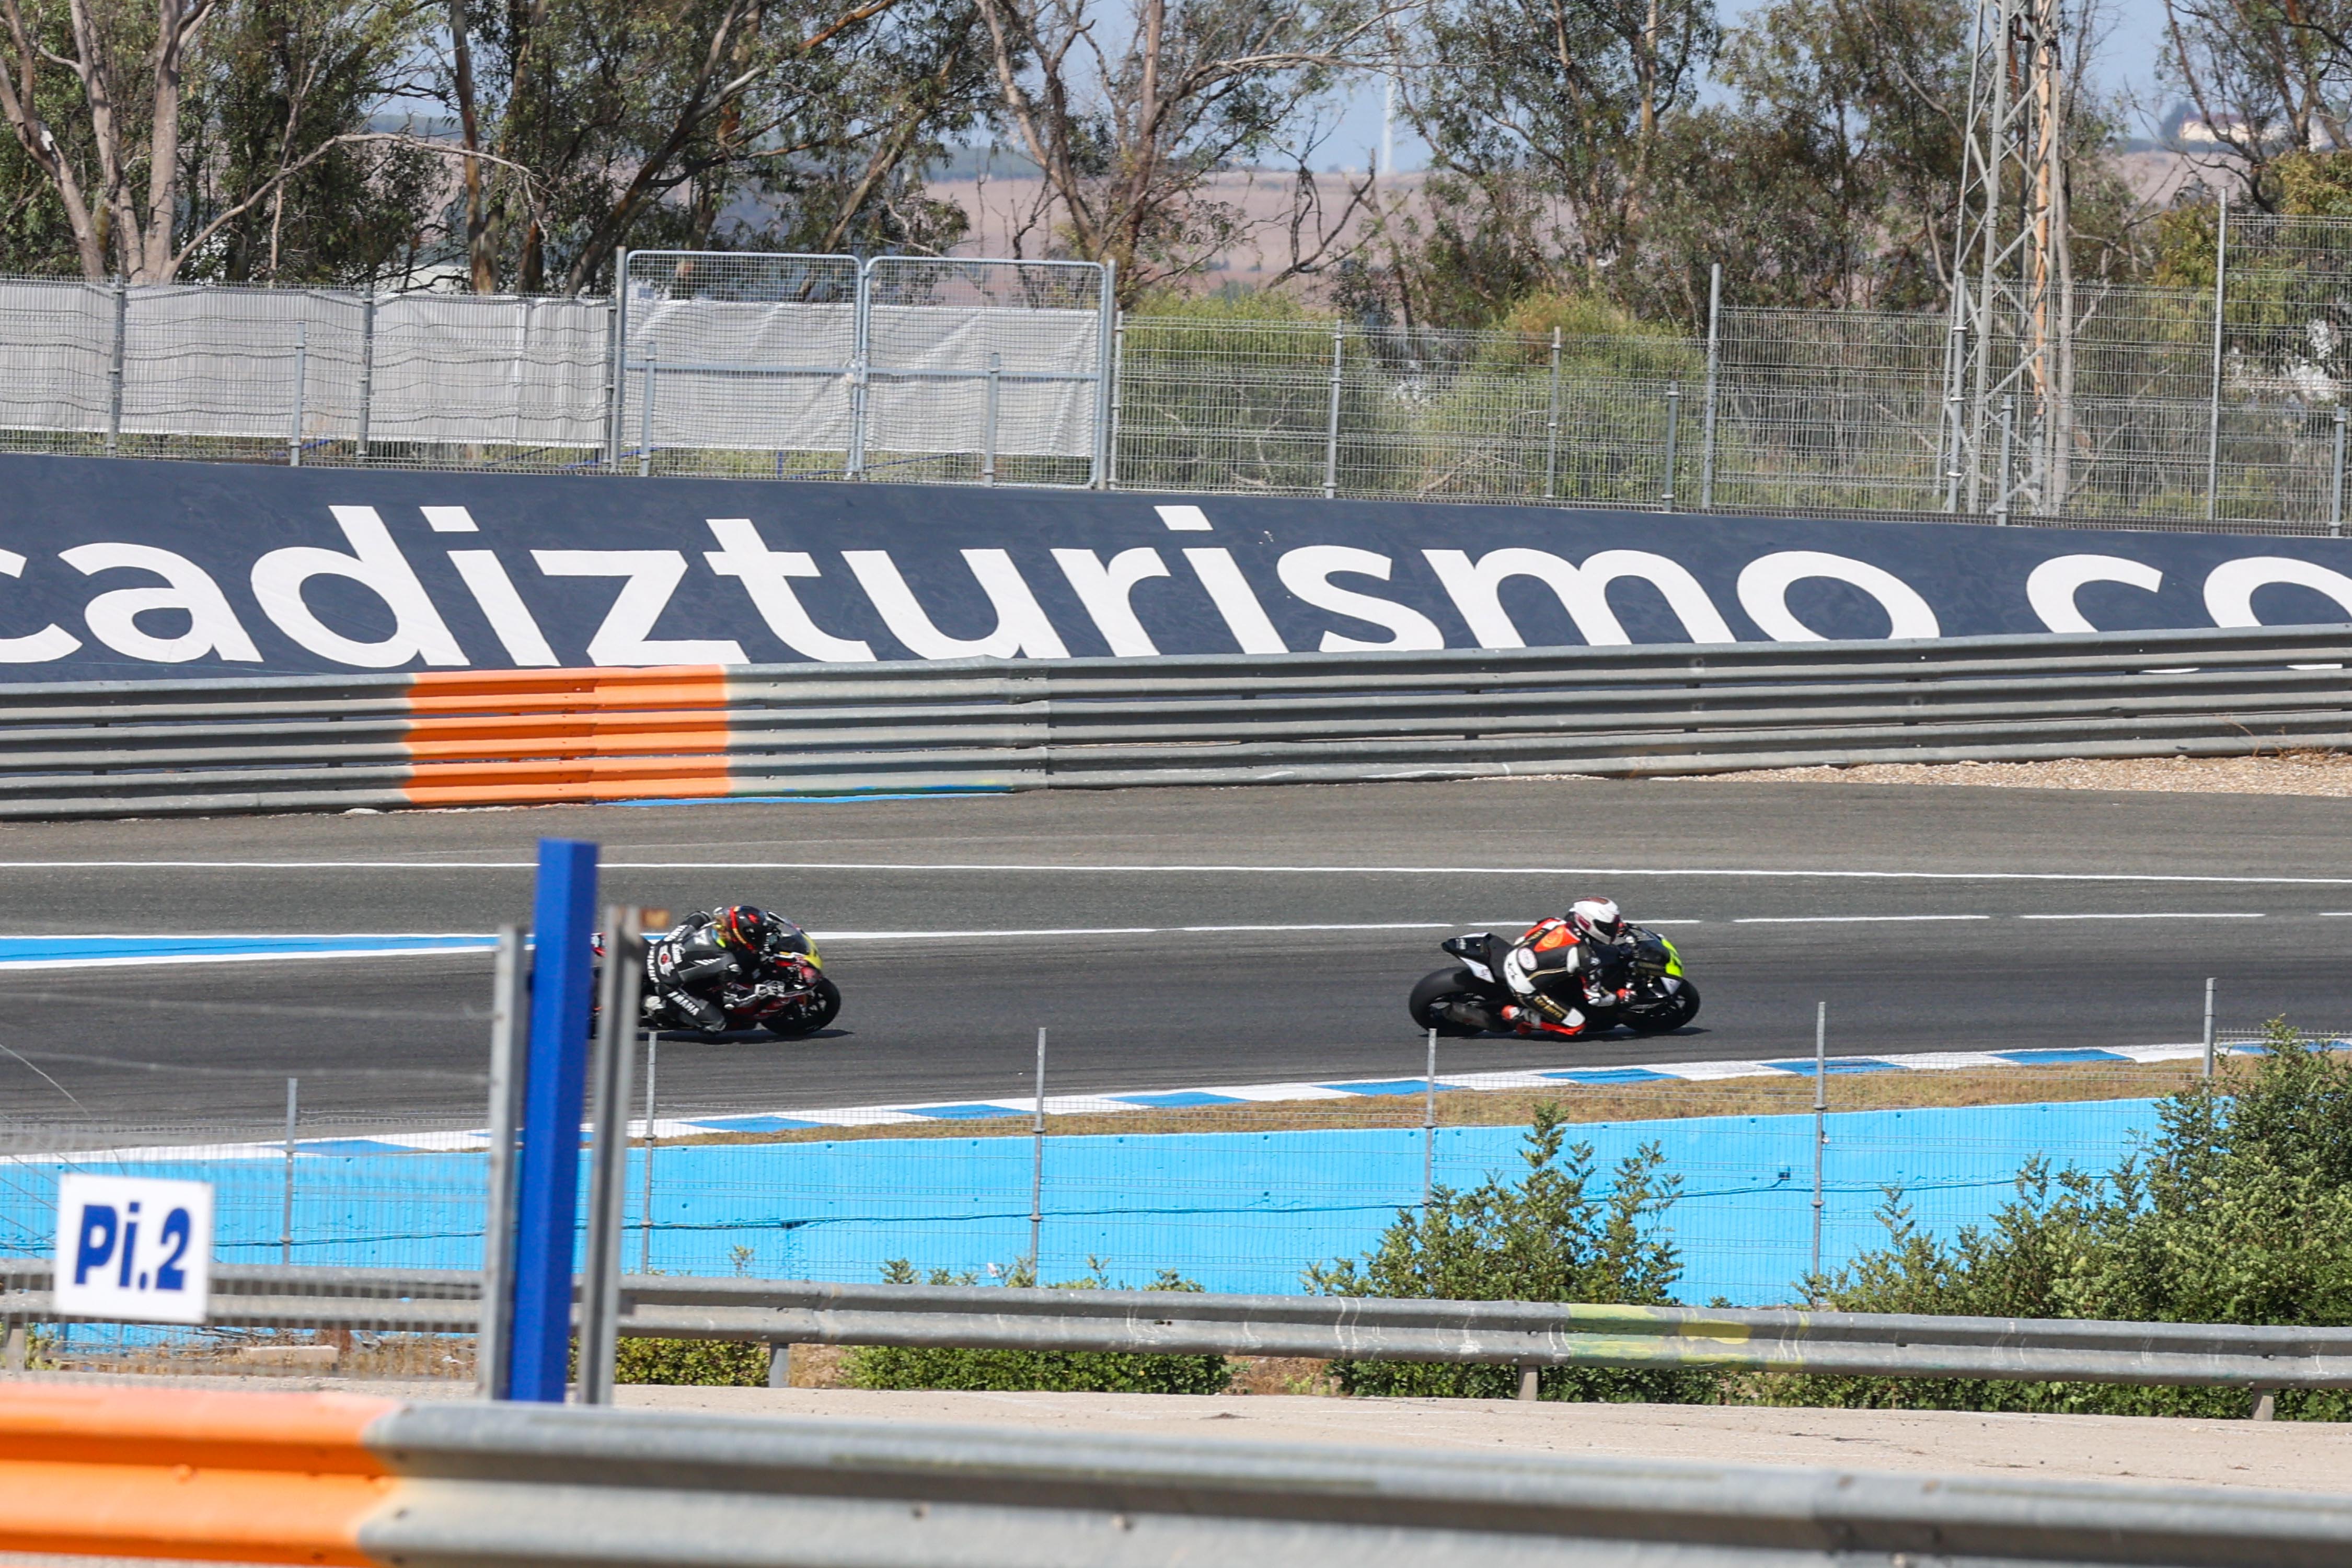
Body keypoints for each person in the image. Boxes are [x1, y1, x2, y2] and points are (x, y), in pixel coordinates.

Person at [646, 904, 808, 1032]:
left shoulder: (710, 923)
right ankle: (660, 1007)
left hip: (660, 950)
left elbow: (697, 915)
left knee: (701, 916)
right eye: (758, 936)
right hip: (667, 982)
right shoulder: (728, 964)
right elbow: (733, 1001)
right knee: (717, 1024)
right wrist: (764, 990)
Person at [1495, 896, 1633, 1039]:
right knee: (1576, 1026)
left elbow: (1535, 930)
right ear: (1588, 923)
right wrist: (1620, 996)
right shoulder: (1586, 958)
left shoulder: (1558, 922)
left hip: (1515, 953)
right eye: (1609, 926)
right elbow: (1595, 998)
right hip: (1524, 987)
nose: (1612, 929)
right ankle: (1518, 1015)